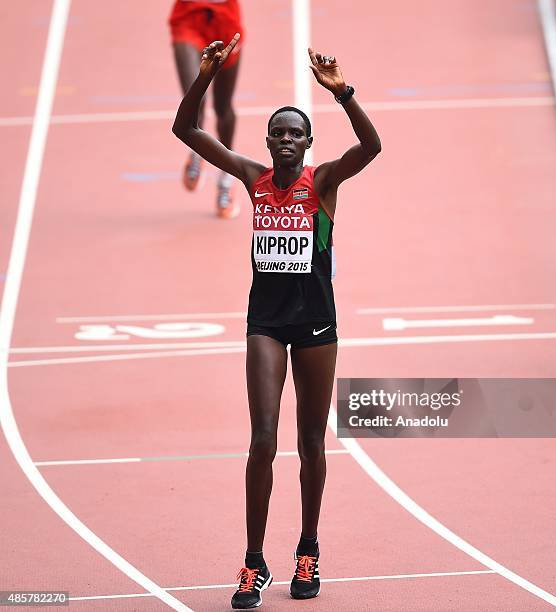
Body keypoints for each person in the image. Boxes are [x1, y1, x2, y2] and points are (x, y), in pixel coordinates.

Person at [172, 34, 381, 609]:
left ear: (308, 144)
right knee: (263, 439)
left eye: (296, 133)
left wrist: (343, 93)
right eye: (278, 133)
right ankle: (253, 562)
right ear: (267, 142)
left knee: (310, 442)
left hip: (316, 325)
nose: (286, 140)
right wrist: (207, 74)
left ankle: (308, 548)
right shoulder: (252, 177)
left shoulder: (325, 182)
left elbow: (373, 145)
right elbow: (185, 131)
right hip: (265, 323)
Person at [168, 0, 244, 218]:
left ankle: (226, 178)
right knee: (195, 95)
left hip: (226, 20)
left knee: (223, 107)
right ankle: (197, 148)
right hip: (188, 17)